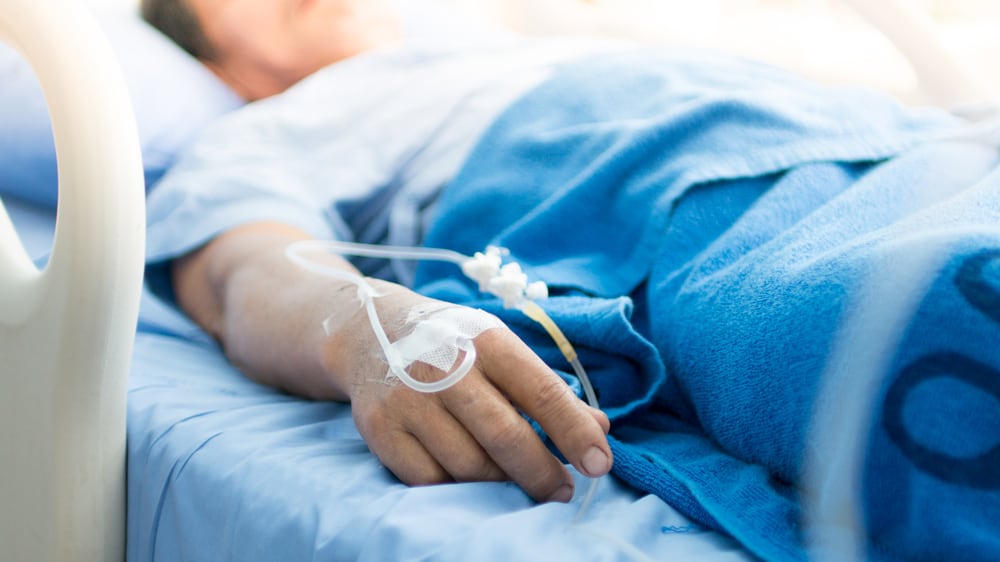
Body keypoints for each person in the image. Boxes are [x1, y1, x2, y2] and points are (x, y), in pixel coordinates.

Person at [140, 0, 1000, 560]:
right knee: (943, 318)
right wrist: (376, 328)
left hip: (888, 142)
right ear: (210, 56)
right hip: (659, 200)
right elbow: (241, 273)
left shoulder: (533, 43)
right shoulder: (268, 131)